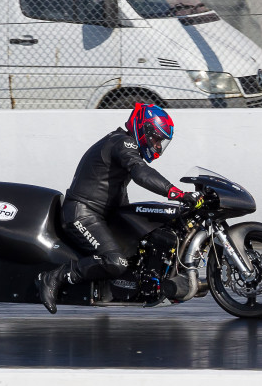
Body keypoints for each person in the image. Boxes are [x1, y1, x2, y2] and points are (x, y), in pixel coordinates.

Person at [35, 103, 199, 314]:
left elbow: (117, 193)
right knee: (116, 261)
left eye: (161, 142)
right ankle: (52, 277)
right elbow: (142, 173)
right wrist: (176, 192)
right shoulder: (122, 143)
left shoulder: (123, 145)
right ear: (143, 128)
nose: (158, 146)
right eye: (156, 139)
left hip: (101, 215)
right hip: (82, 213)